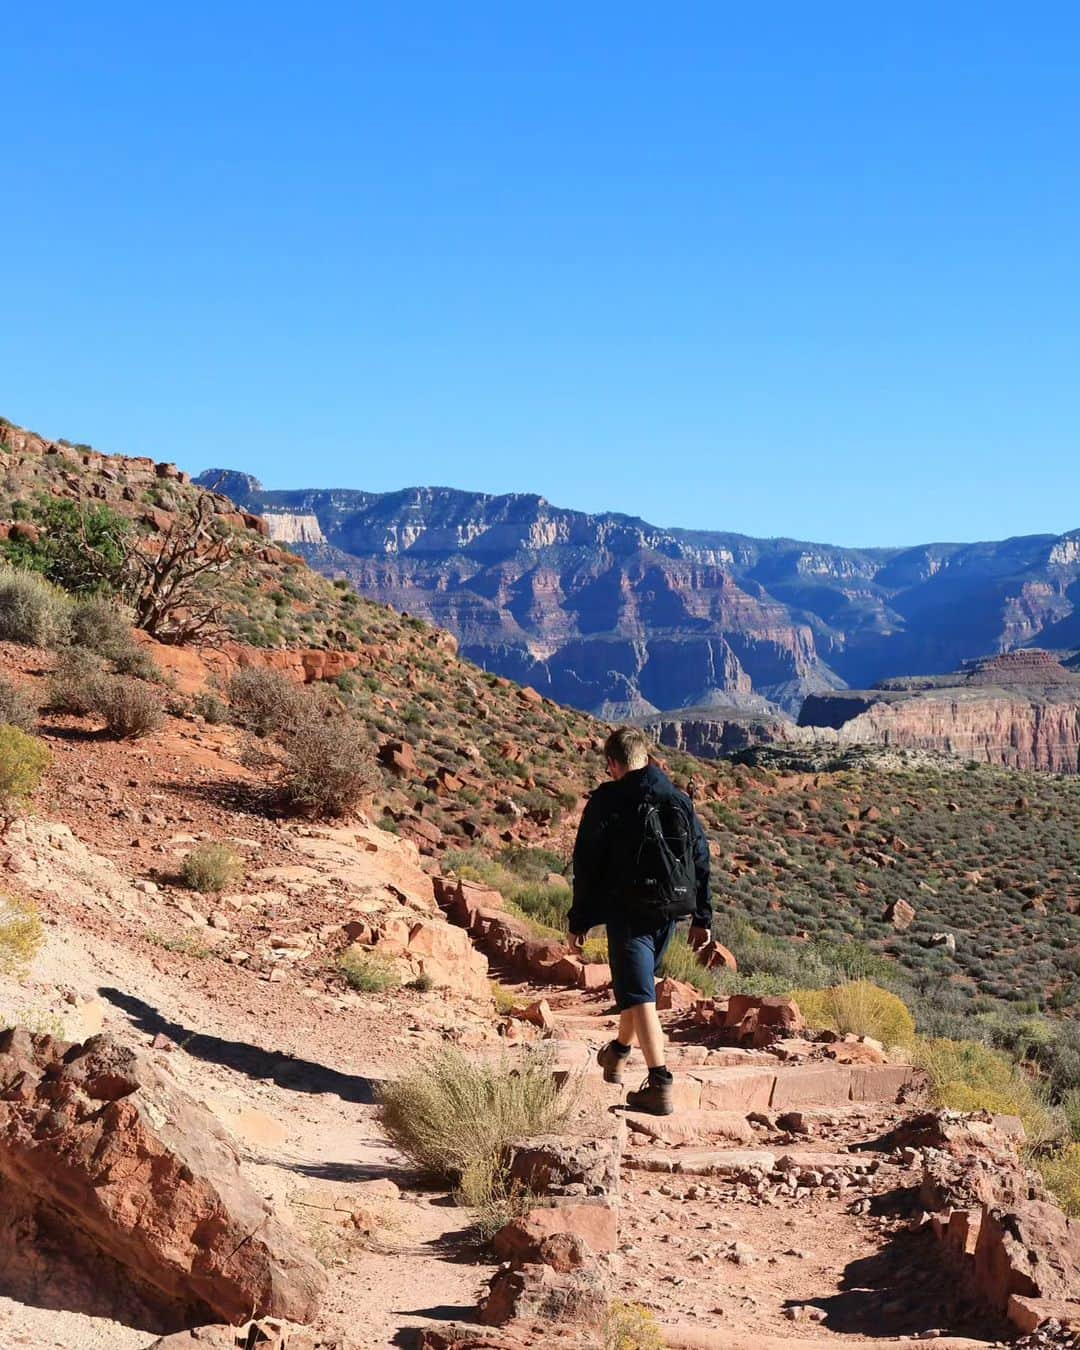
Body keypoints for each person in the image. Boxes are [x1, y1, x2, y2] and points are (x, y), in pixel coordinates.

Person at [568, 727, 712, 1116]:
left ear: (613, 764)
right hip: (671, 910)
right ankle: (616, 1053)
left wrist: (579, 920)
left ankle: (659, 1083)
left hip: (628, 911)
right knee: (638, 988)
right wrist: (703, 916)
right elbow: (700, 858)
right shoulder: (677, 798)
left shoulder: (609, 800)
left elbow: (587, 863)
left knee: (640, 995)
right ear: (646, 757)